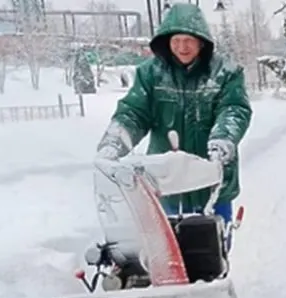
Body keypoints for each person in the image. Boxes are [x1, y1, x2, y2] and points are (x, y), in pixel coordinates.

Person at [95, 3, 252, 240]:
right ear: (166, 41)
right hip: (166, 182)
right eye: (176, 40)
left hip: (212, 179)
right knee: (168, 251)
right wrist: (115, 142)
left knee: (212, 250)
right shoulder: (150, 74)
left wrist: (222, 141)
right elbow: (134, 113)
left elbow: (233, 109)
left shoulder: (225, 73)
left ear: (201, 41)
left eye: (188, 40)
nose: (182, 47)